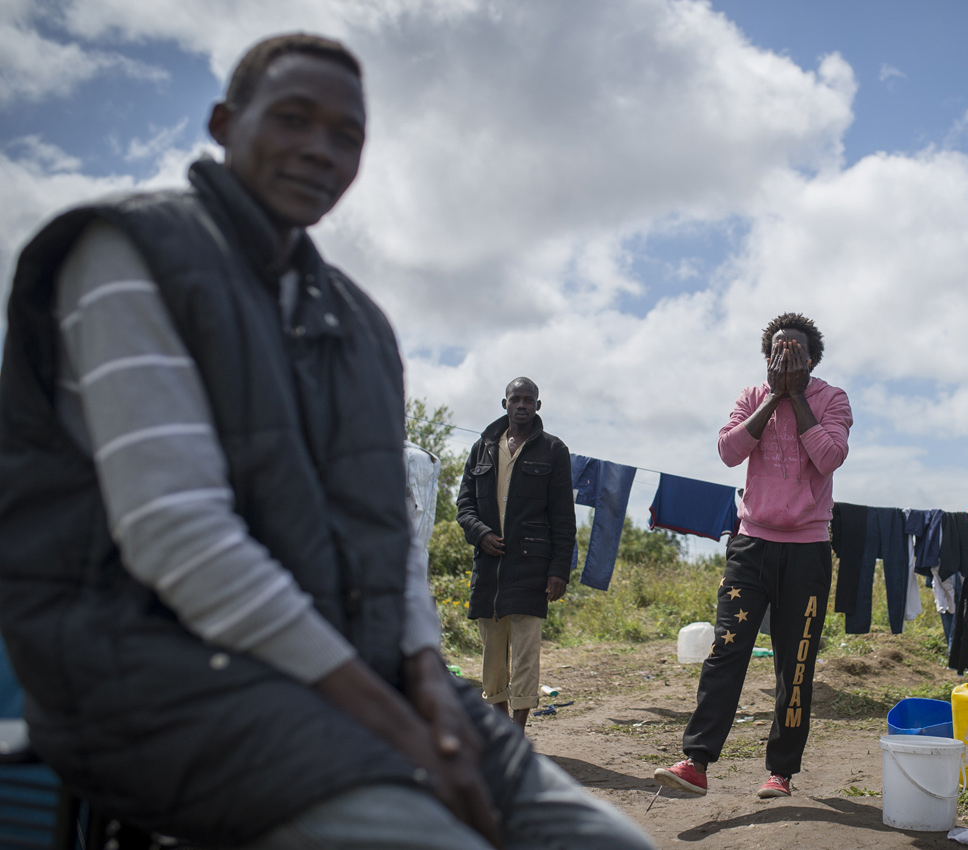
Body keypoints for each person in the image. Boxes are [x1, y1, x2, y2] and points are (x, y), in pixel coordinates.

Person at [0, 32, 651, 850]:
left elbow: (389, 532)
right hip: (154, 683)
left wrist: (424, 681)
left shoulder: (360, 323)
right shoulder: (127, 256)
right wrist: (395, 724)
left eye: (346, 134)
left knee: (604, 840)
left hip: (355, 678)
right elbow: (179, 534)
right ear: (224, 122)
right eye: (293, 118)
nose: (320, 147)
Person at [653, 313, 852, 799]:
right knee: (726, 652)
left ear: (812, 359)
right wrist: (774, 397)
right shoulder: (750, 397)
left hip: (806, 550)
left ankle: (780, 772)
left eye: (795, 351)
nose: (785, 357)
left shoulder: (832, 399)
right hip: (751, 546)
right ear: (766, 359)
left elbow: (829, 457)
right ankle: (696, 762)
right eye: (777, 350)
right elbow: (728, 451)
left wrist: (798, 396)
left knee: (795, 664)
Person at [456, 377, 576, 731]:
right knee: (492, 653)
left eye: (528, 400)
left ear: (538, 406)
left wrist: (559, 570)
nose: (521, 405)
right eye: (515, 399)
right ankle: (500, 725)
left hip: (532, 568)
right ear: (504, 403)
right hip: (490, 569)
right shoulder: (482, 448)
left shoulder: (554, 450)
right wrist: (480, 534)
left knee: (526, 652)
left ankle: (518, 729)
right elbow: (464, 506)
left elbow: (564, 518)